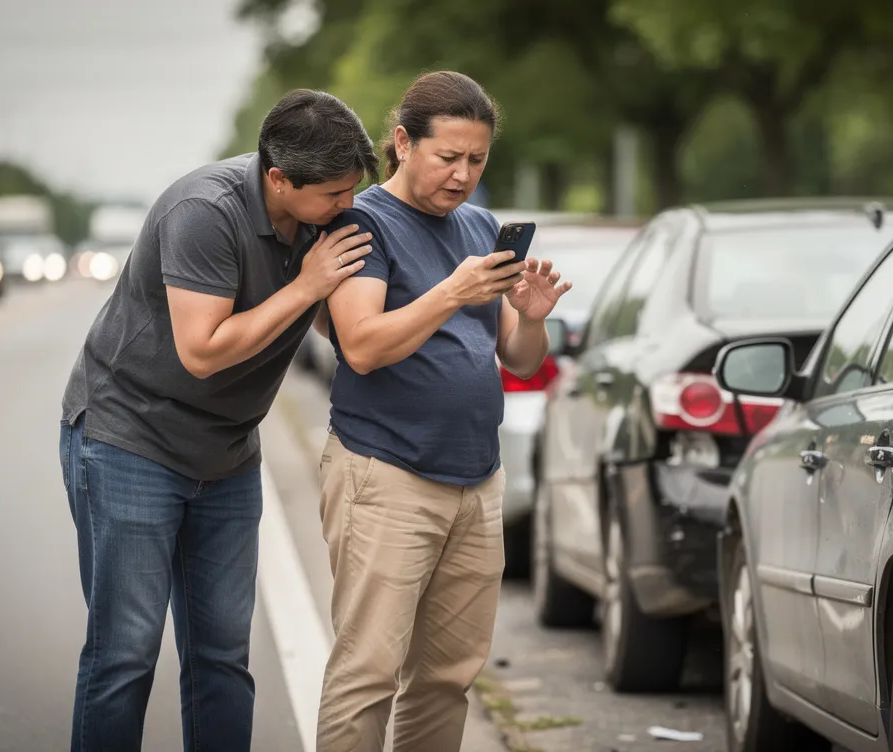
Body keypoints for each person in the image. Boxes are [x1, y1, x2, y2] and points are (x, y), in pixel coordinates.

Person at [59, 89, 377, 752]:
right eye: (334, 195)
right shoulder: (206, 212)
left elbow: (338, 324)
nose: (347, 207)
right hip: (131, 438)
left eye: (353, 191)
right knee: (126, 652)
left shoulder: (322, 216)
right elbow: (201, 351)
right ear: (278, 178)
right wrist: (307, 287)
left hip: (227, 452)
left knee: (222, 654)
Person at [314, 71, 570, 752]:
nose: (462, 175)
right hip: (387, 475)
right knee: (368, 671)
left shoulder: (481, 226)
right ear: (402, 142)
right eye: (447, 156)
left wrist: (532, 319)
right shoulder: (362, 222)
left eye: (477, 159)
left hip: (475, 481)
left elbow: (515, 359)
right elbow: (362, 346)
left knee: (447, 677)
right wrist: (452, 292)